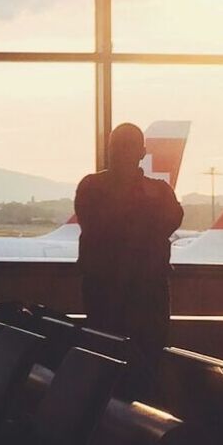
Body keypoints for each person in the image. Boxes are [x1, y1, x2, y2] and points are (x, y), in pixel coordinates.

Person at [75, 123, 185, 373]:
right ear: (143, 153)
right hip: (148, 295)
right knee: (147, 366)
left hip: (105, 292)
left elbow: (98, 228)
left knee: (104, 365)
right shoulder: (159, 193)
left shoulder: (91, 187)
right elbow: (169, 221)